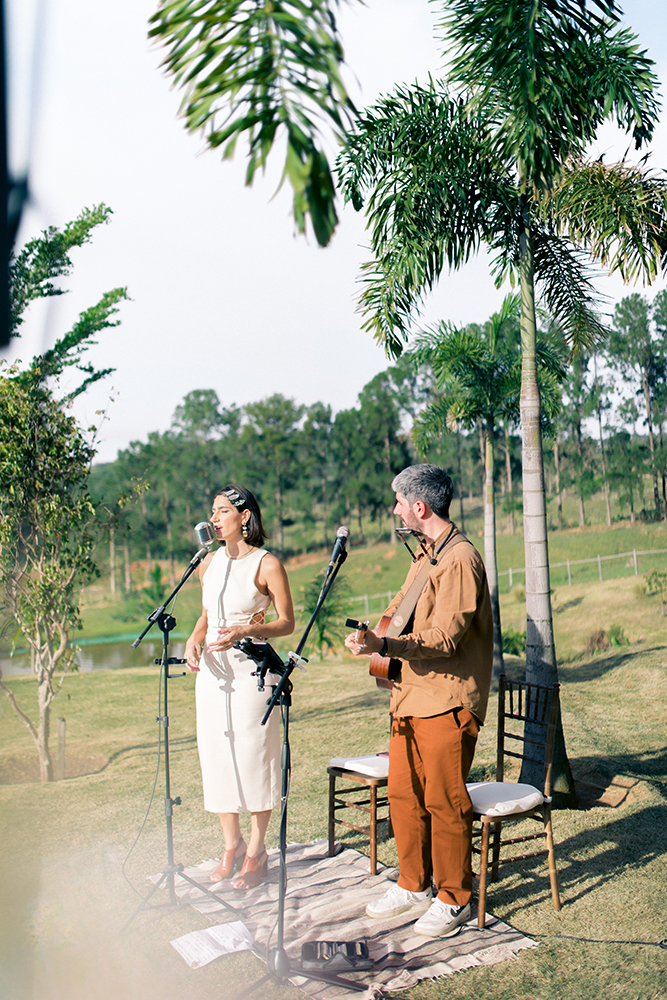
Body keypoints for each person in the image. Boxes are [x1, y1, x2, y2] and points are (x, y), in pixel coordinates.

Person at [345, 464, 493, 937]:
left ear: (419, 507)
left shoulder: (460, 559)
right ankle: (413, 884)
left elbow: (445, 638)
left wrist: (386, 646)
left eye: (398, 502)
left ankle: (454, 897)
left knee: (445, 801)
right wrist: (373, 634)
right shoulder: (425, 555)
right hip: (408, 697)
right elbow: (399, 610)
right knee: (405, 796)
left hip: (446, 700)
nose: (395, 509)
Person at [185, 485, 295, 890]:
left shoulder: (266, 564)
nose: (214, 519)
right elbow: (207, 613)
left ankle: (257, 851)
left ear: (244, 517)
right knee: (217, 755)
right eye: (212, 512)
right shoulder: (208, 563)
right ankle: (231, 845)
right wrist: (193, 639)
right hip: (213, 674)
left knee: (253, 756)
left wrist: (248, 628)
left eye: (222, 511)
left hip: (251, 670)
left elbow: (287, 622)